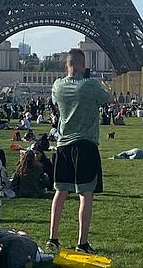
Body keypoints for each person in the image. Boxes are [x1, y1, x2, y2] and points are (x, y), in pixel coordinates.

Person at [47, 48, 111, 255]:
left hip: (63, 145)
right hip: (85, 144)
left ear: (67, 65)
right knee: (85, 194)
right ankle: (82, 242)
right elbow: (108, 99)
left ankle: (53, 238)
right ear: (83, 65)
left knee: (60, 192)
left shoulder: (57, 86)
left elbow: (56, 104)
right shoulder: (91, 85)